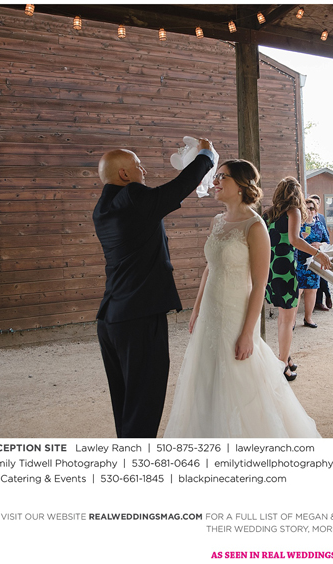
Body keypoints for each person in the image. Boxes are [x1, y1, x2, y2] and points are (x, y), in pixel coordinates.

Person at [164, 161, 320, 438]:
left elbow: (259, 284)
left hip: (236, 314)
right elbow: (209, 268)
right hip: (210, 311)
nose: (215, 182)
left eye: (222, 177)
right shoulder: (217, 221)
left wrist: (248, 333)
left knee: (238, 375)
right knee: (206, 374)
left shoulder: (255, 225)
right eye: (216, 176)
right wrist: (196, 309)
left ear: (241, 185)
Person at [93, 139, 215, 438]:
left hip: (111, 317)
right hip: (139, 316)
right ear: (124, 174)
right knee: (144, 405)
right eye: (138, 166)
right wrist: (205, 156)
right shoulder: (132, 196)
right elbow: (174, 191)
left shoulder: (103, 207)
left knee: (126, 404)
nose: (144, 171)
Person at [263, 177, 331, 381]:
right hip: (286, 269)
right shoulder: (293, 211)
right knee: (287, 319)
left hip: (272, 269)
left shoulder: (268, 214)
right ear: (297, 193)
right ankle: (283, 364)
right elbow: (294, 239)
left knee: (283, 317)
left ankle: (286, 356)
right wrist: (318, 253)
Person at [295, 198, 331, 326]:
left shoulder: (319, 225)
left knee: (312, 290)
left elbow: (327, 242)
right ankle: (291, 321)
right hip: (299, 262)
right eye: (306, 208)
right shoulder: (298, 224)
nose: (309, 211)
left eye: (311, 208)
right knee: (297, 291)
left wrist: (319, 244)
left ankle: (308, 318)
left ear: (315, 210)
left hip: (314, 262)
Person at [309, 194, 333, 311]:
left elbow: (326, 238)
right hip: (307, 253)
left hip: (320, 252)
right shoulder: (302, 221)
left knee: (322, 276)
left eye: (316, 204)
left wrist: (320, 244)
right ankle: (317, 303)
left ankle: (326, 295)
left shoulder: (321, 219)